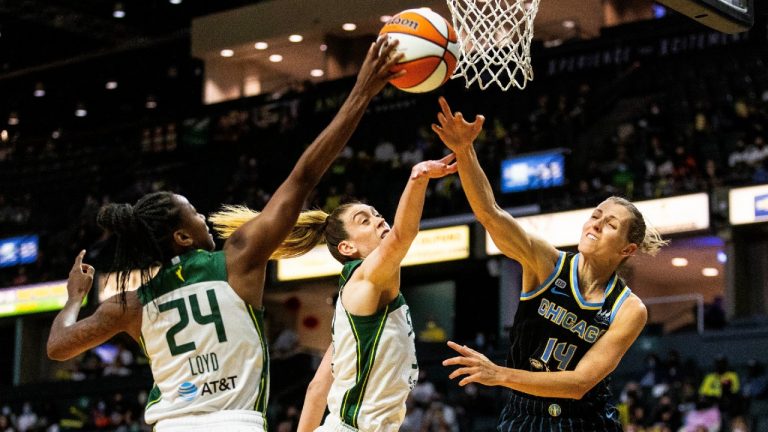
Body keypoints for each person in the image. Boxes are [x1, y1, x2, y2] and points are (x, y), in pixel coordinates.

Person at [46, 37, 404, 432]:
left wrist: (74, 299)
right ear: (182, 237)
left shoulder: (128, 305)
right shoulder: (238, 258)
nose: (204, 218)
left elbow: (58, 347)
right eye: (195, 215)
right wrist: (361, 93)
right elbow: (304, 176)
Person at [433, 97, 668, 431]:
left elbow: (579, 383)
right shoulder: (547, 263)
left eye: (611, 224)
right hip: (524, 416)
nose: (596, 224)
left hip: (585, 420)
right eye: (596, 215)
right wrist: (465, 149)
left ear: (628, 249)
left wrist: (498, 374)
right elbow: (490, 213)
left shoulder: (629, 309)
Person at [212, 154, 458, 431]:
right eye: (364, 221)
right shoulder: (363, 278)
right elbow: (402, 236)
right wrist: (418, 178)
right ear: (347, 248)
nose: (378, 220)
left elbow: (317, 389)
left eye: (376, 214)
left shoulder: (352, 322)